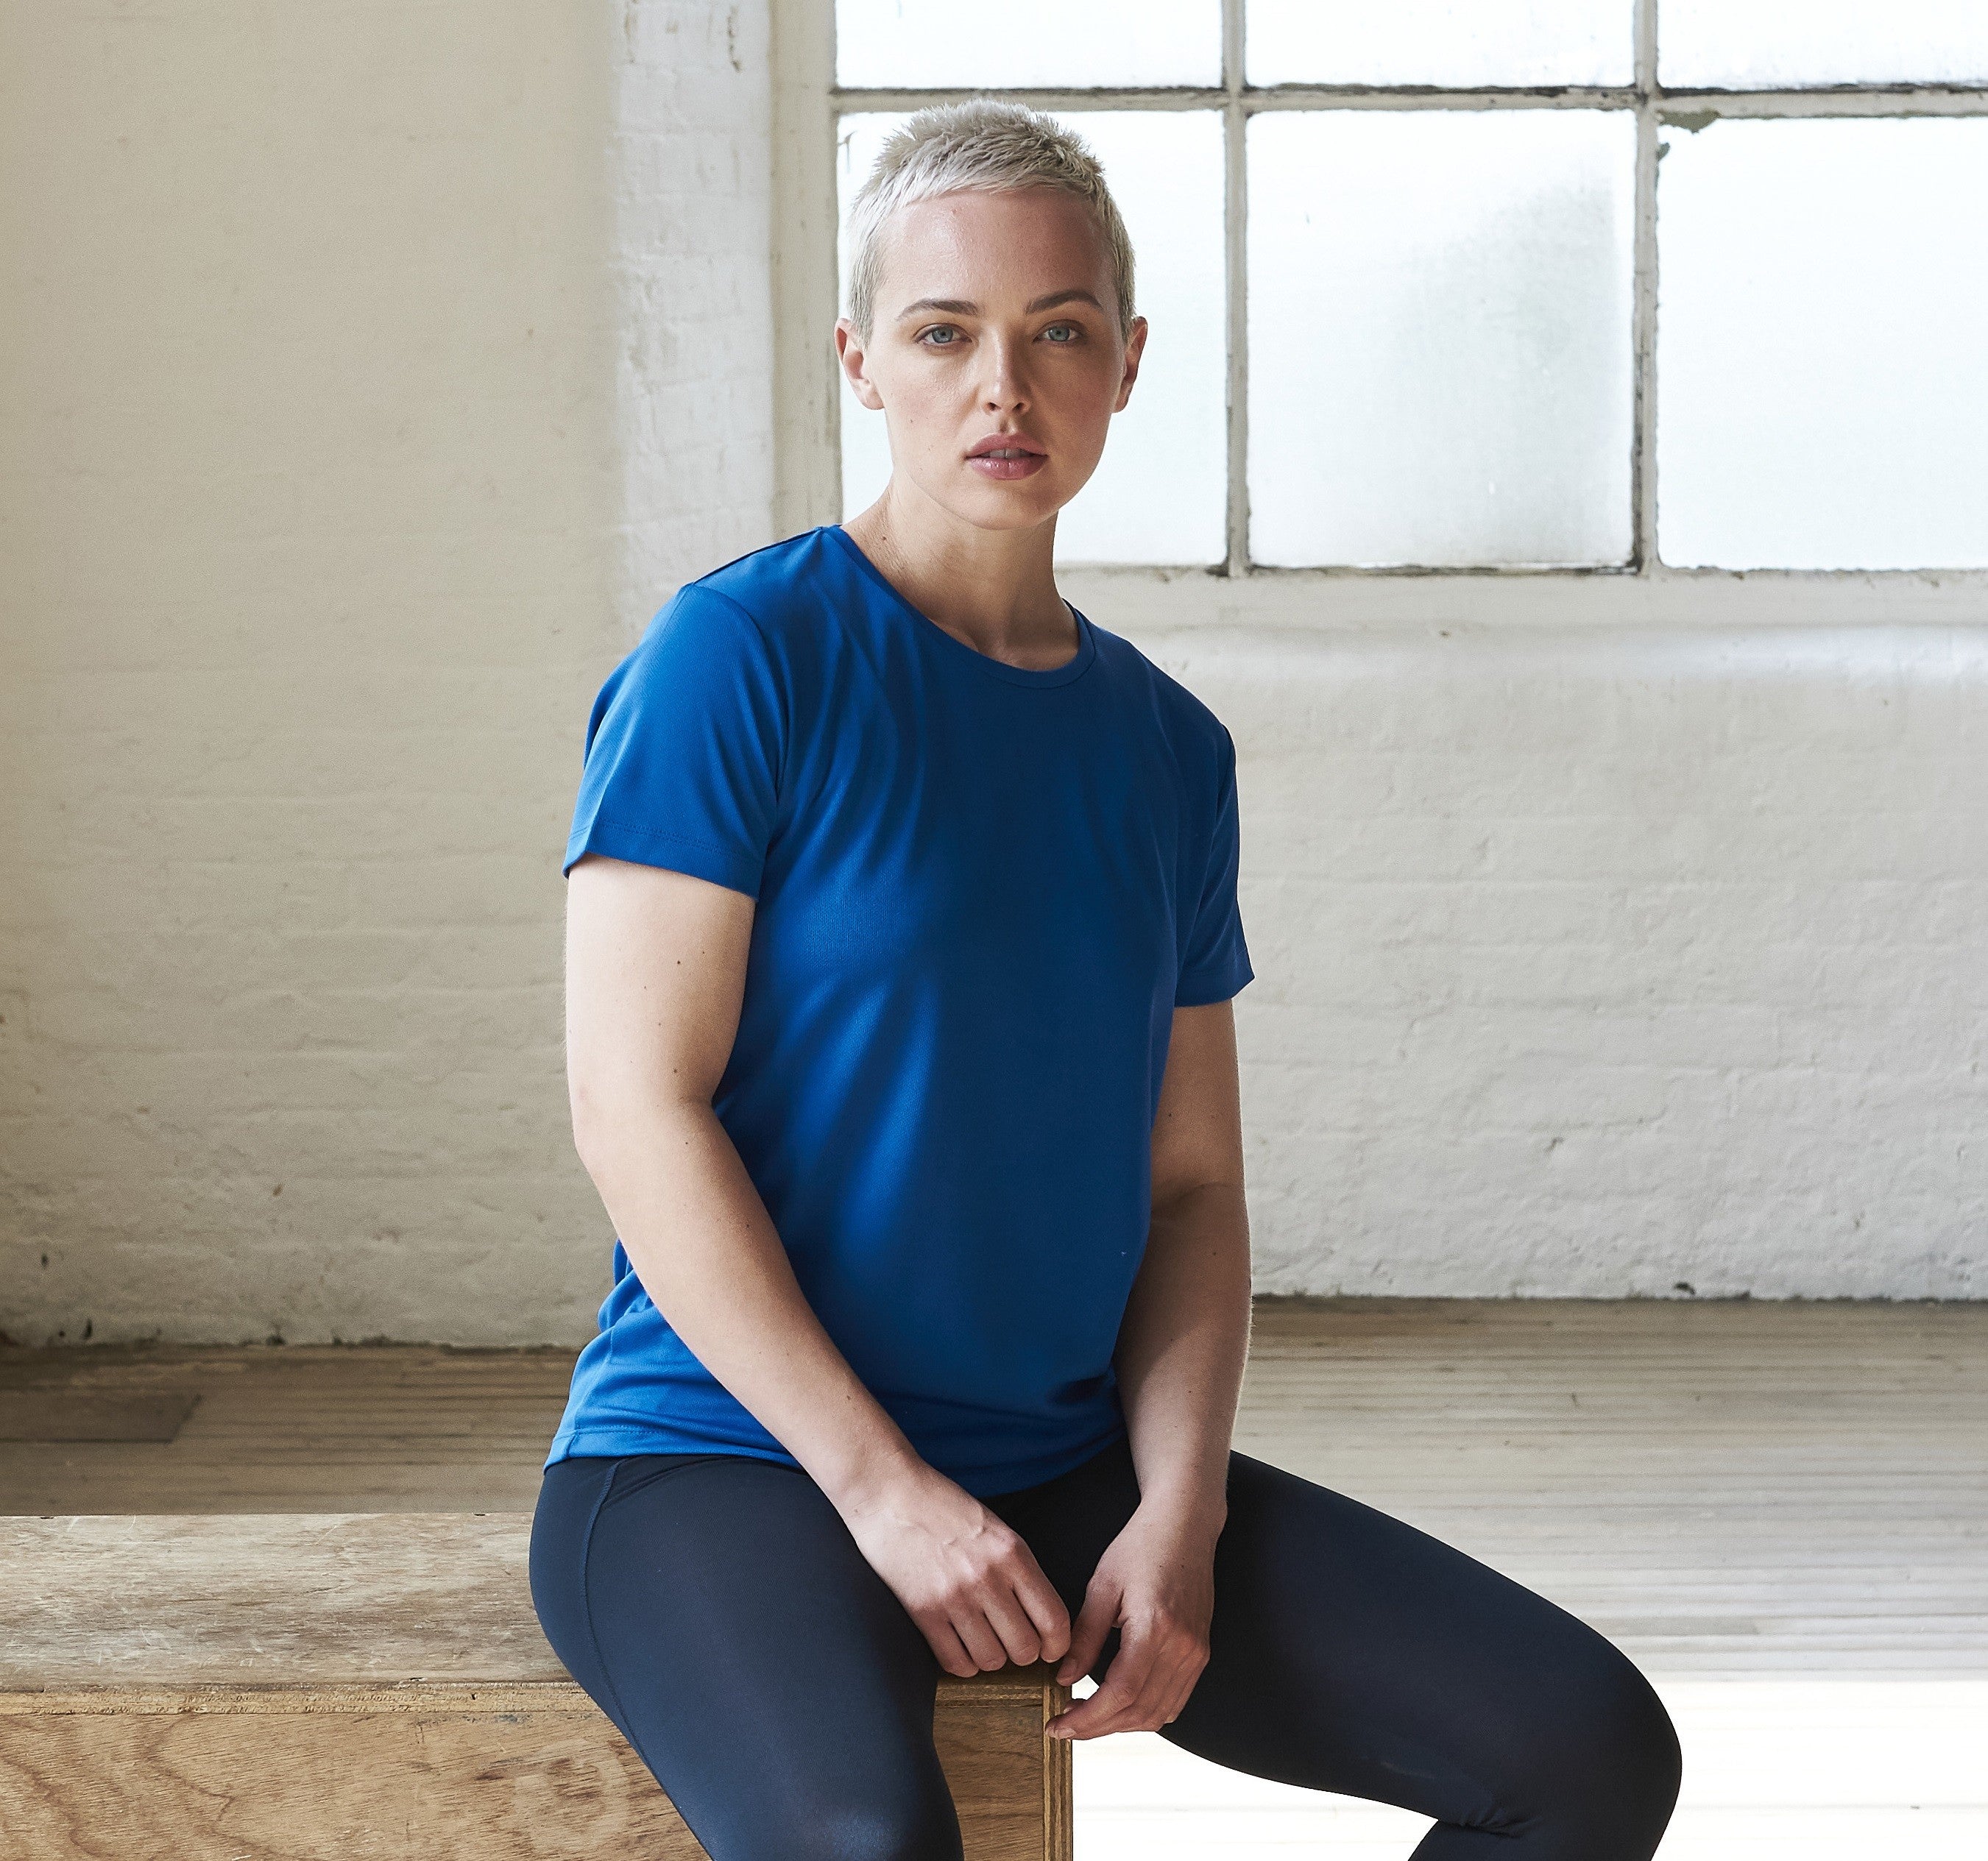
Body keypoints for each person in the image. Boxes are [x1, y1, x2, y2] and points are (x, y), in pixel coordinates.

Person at [528, 97, 1682, 1861]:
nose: (1003, 387)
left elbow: (1192, 1184)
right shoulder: (740, 659)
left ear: (1126, 362)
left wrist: (1182, 1509)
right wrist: (885, 1493)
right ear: (860, 360)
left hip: (1058, 1460)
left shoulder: (1165, 750)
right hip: (721, 1456)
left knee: (1584, 1748)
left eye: (1057, 332)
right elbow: (634, 1103)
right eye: (943, 332)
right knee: (864, 1842)